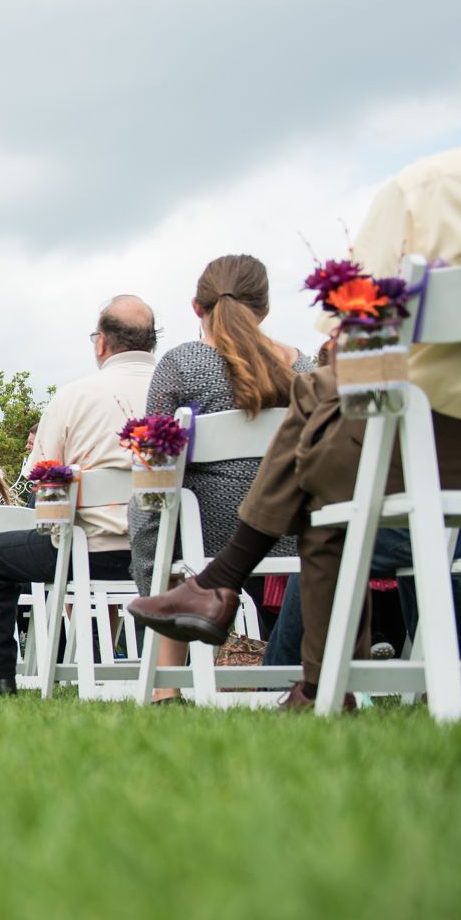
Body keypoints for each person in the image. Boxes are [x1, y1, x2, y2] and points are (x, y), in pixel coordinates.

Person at [131, 0, 461, 711]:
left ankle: (301, 669)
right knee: (319, 400)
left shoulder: (430, 190)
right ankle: (247, 613)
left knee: (327, 426)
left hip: (433, 451)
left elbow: (349, 348)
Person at [128, 255, 313, 702]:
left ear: (197, 307)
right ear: (264, 309)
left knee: (153, 502)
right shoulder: (303, 368)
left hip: (202, 535)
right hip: (290, 530)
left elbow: (156, 466)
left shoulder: (180, 363)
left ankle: (166, 689)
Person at [0, 296, 158, 695]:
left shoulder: (74, 396)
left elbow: (44, 480)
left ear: (101, 344)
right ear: (151, 342)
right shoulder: (177, 389)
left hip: (87, 551)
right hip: (166, 552)